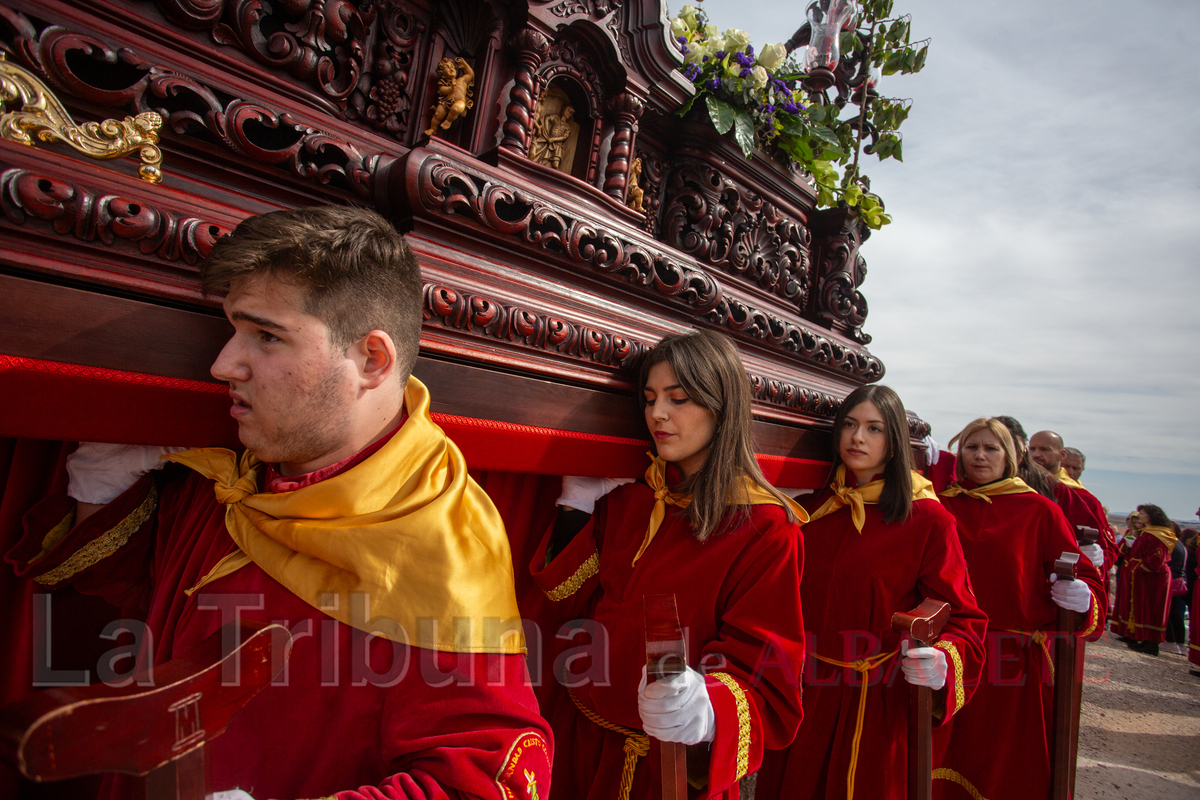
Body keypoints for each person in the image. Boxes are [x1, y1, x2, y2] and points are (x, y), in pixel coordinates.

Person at [5, 207, 552, 799]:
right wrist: (101, 487)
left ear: (371, 359)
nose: (222, 365)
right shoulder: (236, 473)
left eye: (266, 335)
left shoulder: (441, 540)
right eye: (232, 329)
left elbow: (490, 783)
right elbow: (155, 609)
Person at [523, 330, 808, 800]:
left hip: (667, 769)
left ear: (722, 407)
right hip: (580, 741)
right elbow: (561, 593)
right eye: (651, 398)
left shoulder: (766, 527)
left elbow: (768, 677)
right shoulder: (632, 499)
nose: (657, 414)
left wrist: (708, 704)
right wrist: (577, 504)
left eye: (679, 399)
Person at [756, 385, 987, 800]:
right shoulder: (811, 510)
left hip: (877, 702)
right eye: (849, 425)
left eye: (873, 428)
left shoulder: (929, 519)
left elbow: (965, 618)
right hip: (806, 695)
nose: (857, 438)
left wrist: (943, 659)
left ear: (894, 442)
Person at [932, 418, 1105, 800]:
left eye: (991, 448)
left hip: (1014, 665)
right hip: (952, 657)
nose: (979, 456)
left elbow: (1085, 576)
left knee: (1005, 767)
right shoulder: (941, 505)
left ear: (1010, 456)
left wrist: (1083, 596)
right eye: (971, 447)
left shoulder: (1040, 511)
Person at [1027, 429, 1116, 572]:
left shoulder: (1085, 498)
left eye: (1044, 449)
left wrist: (1097, 559)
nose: (1036, 454)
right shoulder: (1018, 486)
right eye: (1032, 449)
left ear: (1061, 455)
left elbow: (1108, 548)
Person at [1111, 504, 1177, 656]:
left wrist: (1139, 566)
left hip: (1153, 577)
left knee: (1152, 609)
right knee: (1143, 608)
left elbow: (1158, 558)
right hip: (1143, 576)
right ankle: (1143, 639)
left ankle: (1151, 644)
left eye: (1142, 513)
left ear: (1151, 516)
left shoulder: (1159, 534)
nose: (1139, 516)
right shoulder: (1146, 532)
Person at [1166, 524, 1188, 654]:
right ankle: (1179, 644)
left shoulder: (1173, 543)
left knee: (1169, 613)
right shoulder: (1179, 544)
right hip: (1178, 580)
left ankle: (1171, 643)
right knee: (1176, 615)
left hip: (1172, 581)